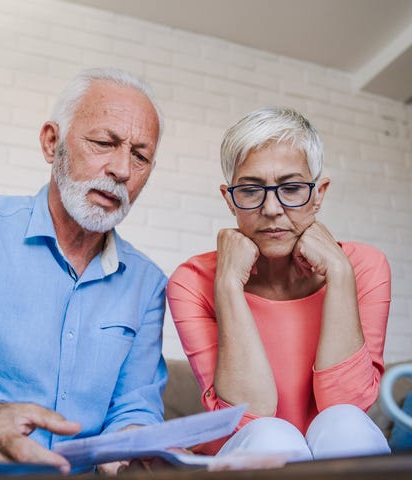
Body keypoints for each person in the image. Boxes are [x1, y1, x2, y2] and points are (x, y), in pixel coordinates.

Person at [0, 68, 167, 474]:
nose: (122, 170)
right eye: (104, 143)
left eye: (140, 155)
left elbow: (136, 404)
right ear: (51, 142)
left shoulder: (148, 285)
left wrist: (128, 444)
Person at [167, 106, 391, 461]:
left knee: (345, 422)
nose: (271, 208)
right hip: (249, 449)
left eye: (291, 188)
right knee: (271, 435)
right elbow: (250, 415)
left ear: (319, 194)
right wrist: (227, 284)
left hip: (335, 452)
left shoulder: (363, 265)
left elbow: (347, 405)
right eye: (252, 191)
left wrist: (339, 273)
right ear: (229, 200)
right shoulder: (192, 282)